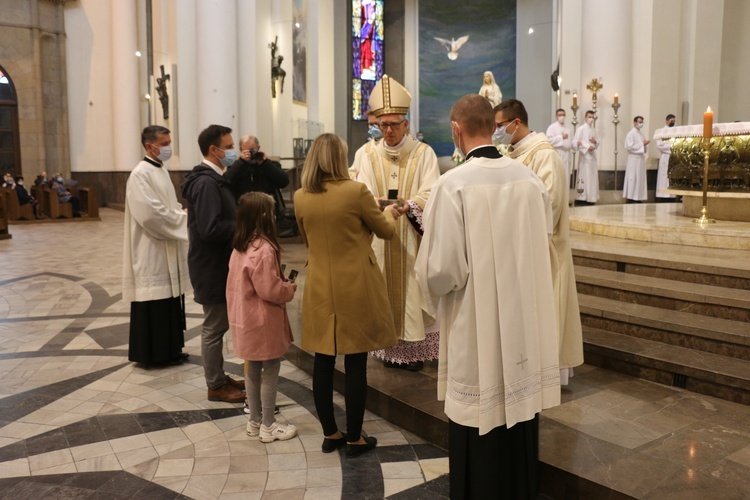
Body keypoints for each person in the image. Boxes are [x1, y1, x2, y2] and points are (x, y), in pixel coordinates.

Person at [415, 94, 560, 499]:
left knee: (479, 429)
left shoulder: (452, 185)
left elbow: (442, 270)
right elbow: (542, 243)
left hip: (476, 329)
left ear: (456, 129)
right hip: (522, 330)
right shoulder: (529, 180)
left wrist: (426, 283)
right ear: (495, 128)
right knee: (519, 423)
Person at [294, 133, 401, 458]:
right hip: (355, 283)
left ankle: (330, 433)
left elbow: (308, 237)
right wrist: (389, 213)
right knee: (355, 363)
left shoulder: (301, 196)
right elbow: (385, 232)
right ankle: (354, 438)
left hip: (320, 285)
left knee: (323, 363)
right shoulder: (356, 191)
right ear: (339, 159)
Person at [495, 99, 583, 386]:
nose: (497, 132)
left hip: (544, 253)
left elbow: (551, 205)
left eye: (500, 126)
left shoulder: (545, 155)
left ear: (516, 123)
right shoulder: (514, 154)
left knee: (546, 316)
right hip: (517, 252)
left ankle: (548, 375)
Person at [356, 74, 441, 371]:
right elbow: (361, 192)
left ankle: (412, 350)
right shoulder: (366, 154)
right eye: (383, 125)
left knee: (411, 292)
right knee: (382, 292)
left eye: (394, 124)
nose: (388, 131)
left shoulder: (423, 153)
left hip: (411, 240)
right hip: (380, 239)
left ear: (406, 124)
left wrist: (410, 205)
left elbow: (432, 192)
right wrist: (380, 207)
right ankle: (387, 349)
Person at [181, 124, 245, 404]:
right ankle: (215, 385)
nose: (232, 151)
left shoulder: (215, 178)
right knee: (214, 327)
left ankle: (218, 377)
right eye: (229, 147)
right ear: (213, 150)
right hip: (212, 266)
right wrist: (242, 226)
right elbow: (209, 229)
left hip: (218, 264)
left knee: (217, 326)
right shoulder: (207, 183)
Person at [227, 192, 298, 443]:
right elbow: (269, 290)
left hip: (244, 319)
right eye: (272, 209)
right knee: (271, 368)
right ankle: (269, 425)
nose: (276, 213)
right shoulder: (264, 249)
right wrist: (287, 288)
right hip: (262, 321)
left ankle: (254, 420)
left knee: (252, 367)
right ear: (265, 215)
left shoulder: (240, 246)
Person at [123, 125, 190, 367]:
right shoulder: (140, 174)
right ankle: (153, 354)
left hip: (166, 245)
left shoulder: (160, 170)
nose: (168, 148)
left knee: (169, 301)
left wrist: (178, 213)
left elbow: (168, 206)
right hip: (151, 247)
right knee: (154, 302)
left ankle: (171, 349)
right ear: (150, 146)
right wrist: (182, 219)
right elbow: (150, 215)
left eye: (169, 142)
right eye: (164, 144)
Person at [224, 134, 290, 204]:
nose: (250, 153)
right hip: (243, 208)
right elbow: (227, 182)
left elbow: (284, 182)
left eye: (253, 150)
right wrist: (241, 162)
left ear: (258, 148)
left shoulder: (270, 164)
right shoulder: (236, 166)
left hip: (267, 207)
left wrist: (265, 163)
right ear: (241, 150)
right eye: (246, 151)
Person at [573, 110, 600, 204]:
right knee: (583, 177)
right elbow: (575, 142)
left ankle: (591, 198)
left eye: (592, 117)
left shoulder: (593, 130)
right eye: (589, 117)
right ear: (585, 118)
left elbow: (598, 142)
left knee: (592, 177)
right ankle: (581, 198)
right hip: (584, 157)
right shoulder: (581, 129)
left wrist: (595, 142)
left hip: (592, 157)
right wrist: (586, 147)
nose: (591, 119)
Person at [348, 110, 381, 180]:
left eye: (376, 124)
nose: (373, 127)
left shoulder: (392, 147)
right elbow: (351, 173)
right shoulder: (362, 151)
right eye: (371, 124)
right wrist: (356, 177)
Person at [623, 115, 649, 202]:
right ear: (635, 123)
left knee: (640, 178)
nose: (641, 124)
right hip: (633, 159)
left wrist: (644, 145)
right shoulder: (631, 134)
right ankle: (631, 197)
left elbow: (643, 147)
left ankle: (638, 197)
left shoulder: (641, 134)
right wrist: (643, 145)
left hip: (640, 159)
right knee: (633, 178)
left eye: (642, 122)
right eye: (639, 122)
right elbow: (629, 146)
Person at [546, 108, 574, 183]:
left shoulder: (568, 128)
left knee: (566, 177)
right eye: (560, 115)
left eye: (563, 115)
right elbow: (549, 140)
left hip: (567, 154)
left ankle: (566, 194)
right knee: (558, 176)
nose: (562, 117)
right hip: (558, 153)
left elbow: (571, 141)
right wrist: (561, 137)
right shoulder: (552, 127)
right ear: (556, 116)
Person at [655, 114, 677, 201]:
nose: (673, 123)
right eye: (672, 121)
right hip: (665, 157)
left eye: (674, 121)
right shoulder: (661, 132)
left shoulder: (676, 132)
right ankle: (663, 196)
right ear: (667, 121)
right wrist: (671, 148)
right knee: (664, 176)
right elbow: (660, 145)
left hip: (673, 157)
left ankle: (672, 196)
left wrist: (673, 148)